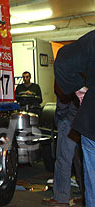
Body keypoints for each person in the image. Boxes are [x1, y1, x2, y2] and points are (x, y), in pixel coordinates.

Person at [53, 30, 95, 207]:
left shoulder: (92, 41)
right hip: (81, 122)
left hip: (88, 122)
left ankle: (62, 197)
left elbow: (63, 59)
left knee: (66, 160)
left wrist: (80, 90)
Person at [42, 84, 83, 206]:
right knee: (81, 159)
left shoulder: (64, 66)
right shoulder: (86, 66)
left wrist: (61, 116)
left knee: (63, 159)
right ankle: (86, 194)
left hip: (69, 119)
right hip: (82, 117)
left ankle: (61, 197)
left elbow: (63, 96)